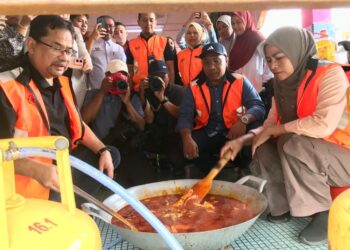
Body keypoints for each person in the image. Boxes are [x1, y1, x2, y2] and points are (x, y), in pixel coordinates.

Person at [220, 27, 350, 246]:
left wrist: (273, 131)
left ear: (296, 51)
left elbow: (323, 125)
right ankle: (281, 207)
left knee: (293, 143)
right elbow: (270, 124)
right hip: (315, 156)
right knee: (262, 147)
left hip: (342, 157)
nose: (272, 65)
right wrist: (241, 141)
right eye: (269, 60)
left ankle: (323, 213)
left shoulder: (330, 74)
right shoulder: (281, 84)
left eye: (279, 58)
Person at [0, 15, 120, 204]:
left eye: (69, 51)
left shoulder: (63, 82)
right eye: (56, 48)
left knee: (111, 154)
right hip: (26, 185)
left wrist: (101, 149)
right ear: (31, 45)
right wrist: (34, 169)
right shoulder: (8, 87)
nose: (64, 57)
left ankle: (67, 201)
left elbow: (77, 124)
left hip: (61, 163)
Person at [177, 42, 265, 174]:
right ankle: (216, 172)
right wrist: (187, 138)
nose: (211, 67)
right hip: (208, 132)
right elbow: (185, 115)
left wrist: (243, 120)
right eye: (206, 62)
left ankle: (244, 168)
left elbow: (258, 106)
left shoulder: (240, 81)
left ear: (226, 61)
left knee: (256, 126)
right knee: (181, 144)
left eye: (216, 61)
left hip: (233, 132)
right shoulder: (193, 86)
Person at [139, 59, 185, 175]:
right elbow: (149, 119)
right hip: (157, 133)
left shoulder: (179, 91)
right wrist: (143, 96)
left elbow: (181, 116)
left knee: (176, 159)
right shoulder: (149, 91)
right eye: (156, 77)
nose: (160, 80)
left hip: (176, 134)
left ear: (168, 76)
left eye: (163, 76)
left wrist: (162, 98)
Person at [126, 12, 176, 91]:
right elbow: (129, 70)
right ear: (139, 22)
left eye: (151, 20)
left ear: (156, 22)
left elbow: (170, 68)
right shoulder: (131, 44)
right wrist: (131, 89)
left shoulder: (165, 42)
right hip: (139, 89)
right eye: (144, 20)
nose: (148, 23)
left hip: (161, 88)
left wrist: (171, 88)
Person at [228, 11, 273, 94]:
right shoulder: (238, 40)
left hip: (254, 87)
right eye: (233, 23)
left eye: (239, 22)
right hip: (238, 86)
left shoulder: (256, 37)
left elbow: (269, 59)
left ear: (246, 20)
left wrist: (263, 79)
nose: (235, 26)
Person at [177, 22, 204, 86]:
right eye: (189, 33)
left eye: (195, 33)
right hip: (185, 91)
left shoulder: (205, 52)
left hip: (203, 90)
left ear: (200, 34)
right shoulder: (180, 54)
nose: (192, 35)